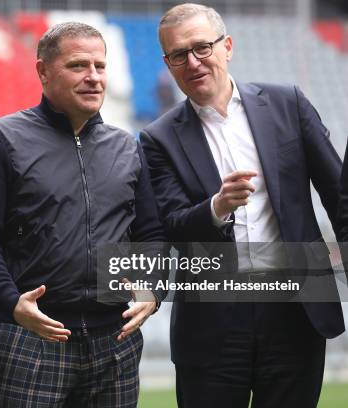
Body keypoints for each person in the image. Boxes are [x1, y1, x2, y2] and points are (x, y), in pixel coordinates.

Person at [140, 3, 345, 408]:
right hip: (213, 318)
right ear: (168, 63)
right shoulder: (156, 138)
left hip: (295, 308)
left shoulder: (288, 104)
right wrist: (215, 207)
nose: (193, 62)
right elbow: (171, 225)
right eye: (179, 55)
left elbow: (338, 194)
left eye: (202, 48)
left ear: (227, 46)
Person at [0, 21, 165, 408]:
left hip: (115, 341)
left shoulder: (126, 147)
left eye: (100, 66)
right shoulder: (0, 140)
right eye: (78, 66)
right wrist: (10, 302)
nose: (93, 77)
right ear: (43, 71)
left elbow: (150, 232)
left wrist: (151, 288)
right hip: (31, 336)